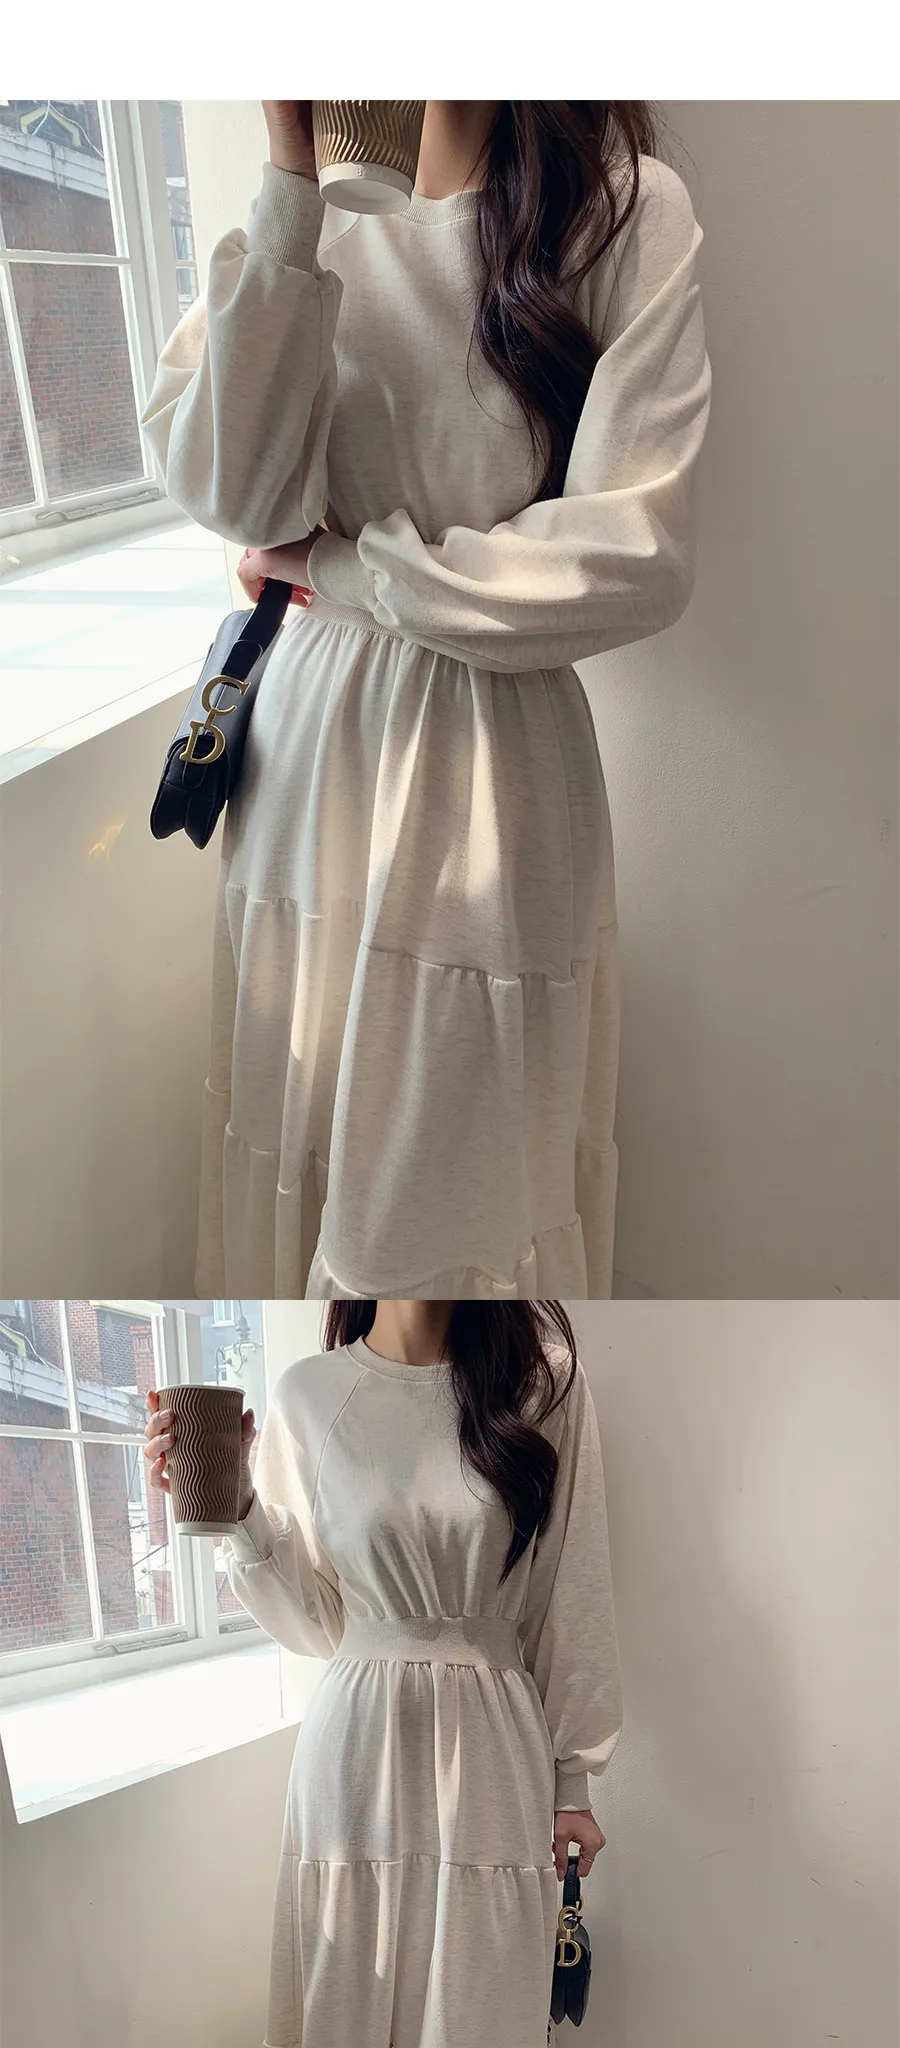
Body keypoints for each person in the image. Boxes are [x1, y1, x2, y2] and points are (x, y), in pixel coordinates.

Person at [143, 100, 711, 1301]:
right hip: (306, 762)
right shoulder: (299, 217)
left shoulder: (622, 213)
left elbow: (636, 556)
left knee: (464, 1191)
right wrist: (291, 181)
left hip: (492, 770)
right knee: (297, 1123)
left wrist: (344, 567)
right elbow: (232, 494)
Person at [146, 1295, 621, 2048]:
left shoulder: (543, 1380)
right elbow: (325, 1621)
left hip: (490, 1742)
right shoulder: (313, 1395)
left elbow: (574, 1592)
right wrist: (235, 1512)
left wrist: (576, 1778)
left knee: (466, 2014)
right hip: (355, 1749)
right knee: (362, 2009)